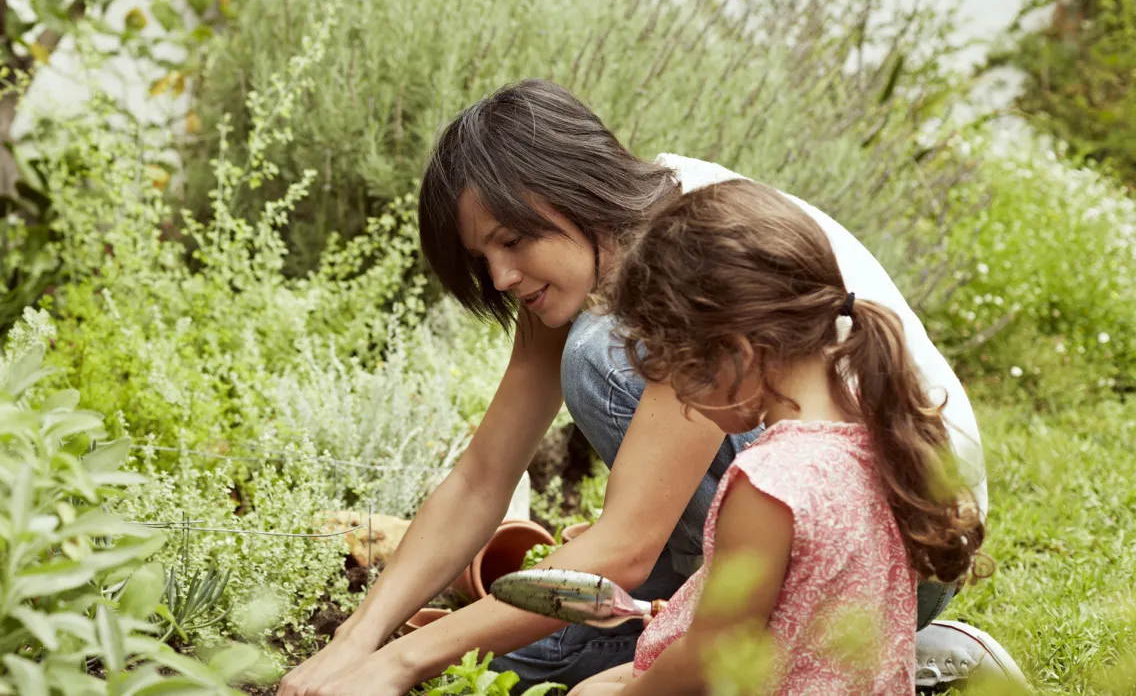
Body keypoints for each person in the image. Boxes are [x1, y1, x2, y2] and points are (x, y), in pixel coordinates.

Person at [273, 79, 1022, 696]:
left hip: (903, 552)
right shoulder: (584, 249)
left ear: (569, 190)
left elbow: (625, 549)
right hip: (848, 525)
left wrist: (400, 664)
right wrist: (359, 639)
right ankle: (737, 627)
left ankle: (900, 651)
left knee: (597, 357)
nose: (500, 277)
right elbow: (481, 476)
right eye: (483, 256)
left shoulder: (689, 256)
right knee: (522, 668)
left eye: (511, 240)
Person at [563, 177, 990, 694]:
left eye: (679, 373)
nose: (681, 399)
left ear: (737, 355)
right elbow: (806, 591)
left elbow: (708, 661)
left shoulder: (768, 485)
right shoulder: (881, 434)